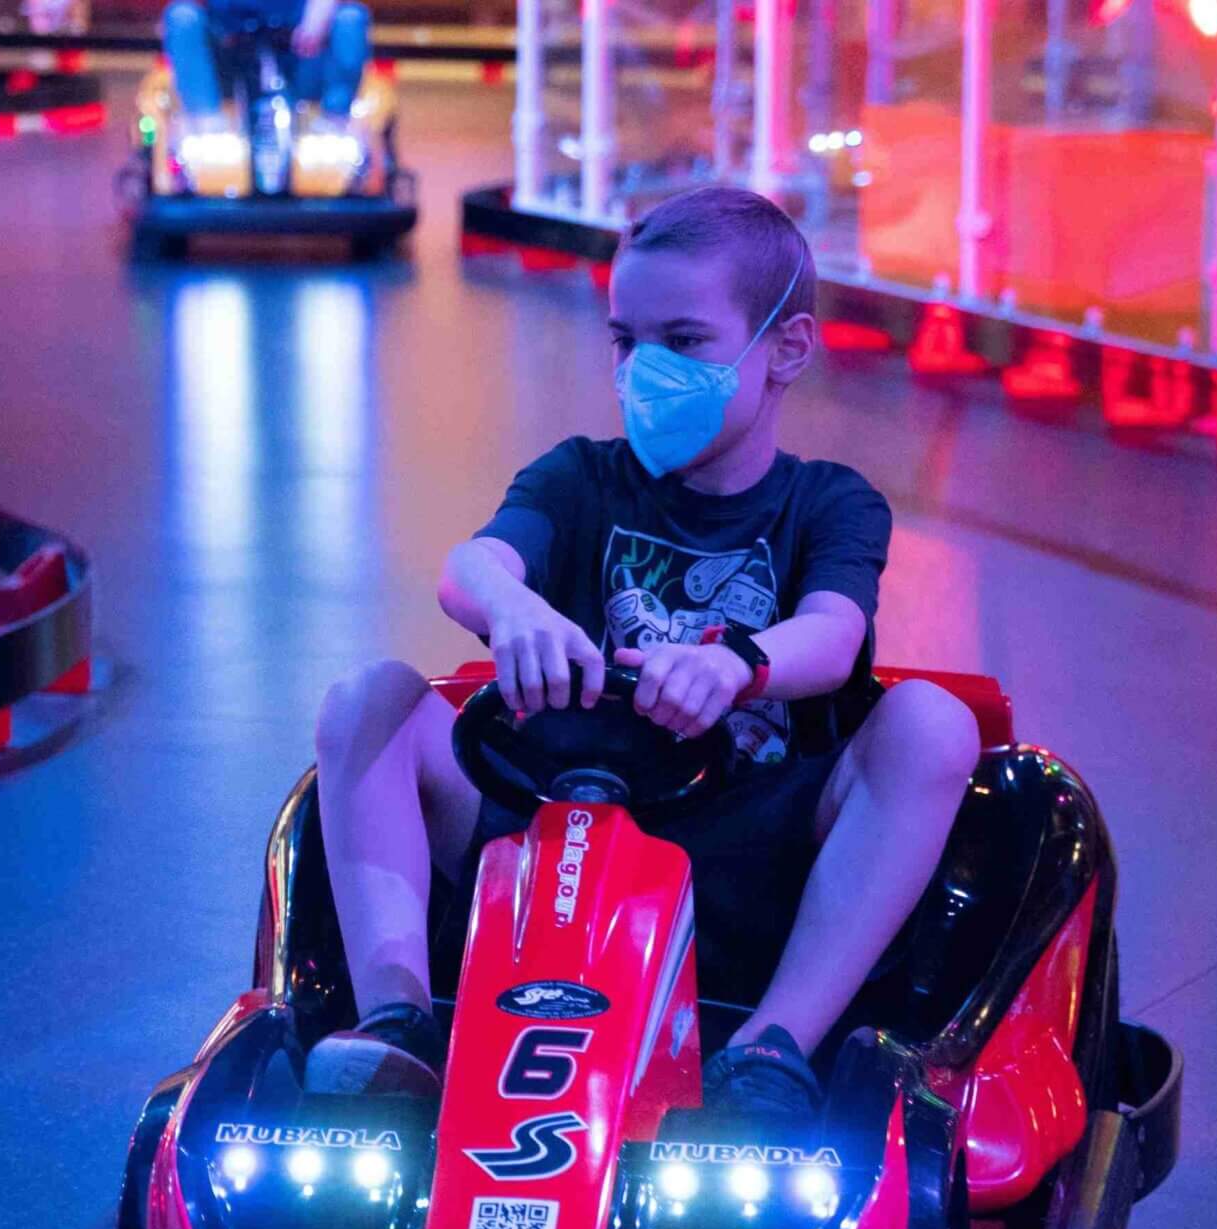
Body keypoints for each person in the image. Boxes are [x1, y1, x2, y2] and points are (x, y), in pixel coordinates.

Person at [305, 186, 981, 1118]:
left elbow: (834, 635)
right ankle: (398, 1023)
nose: (644, 370)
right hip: (552, 841)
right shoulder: (579, 478)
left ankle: (772, 1046)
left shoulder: (828, 502)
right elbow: (471, 569)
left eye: (685, 341)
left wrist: (738, 663)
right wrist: (514, 609)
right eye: (627, 340)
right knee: (367, 699)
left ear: (786, 349)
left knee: (935, 725)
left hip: (745, 856)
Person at [161, 0, 372, 124]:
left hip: (301, 54)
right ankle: (205, 129)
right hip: (229, 57)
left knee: (351, 17)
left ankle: (334, 125)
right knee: (182, 16)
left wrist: (320, 14)